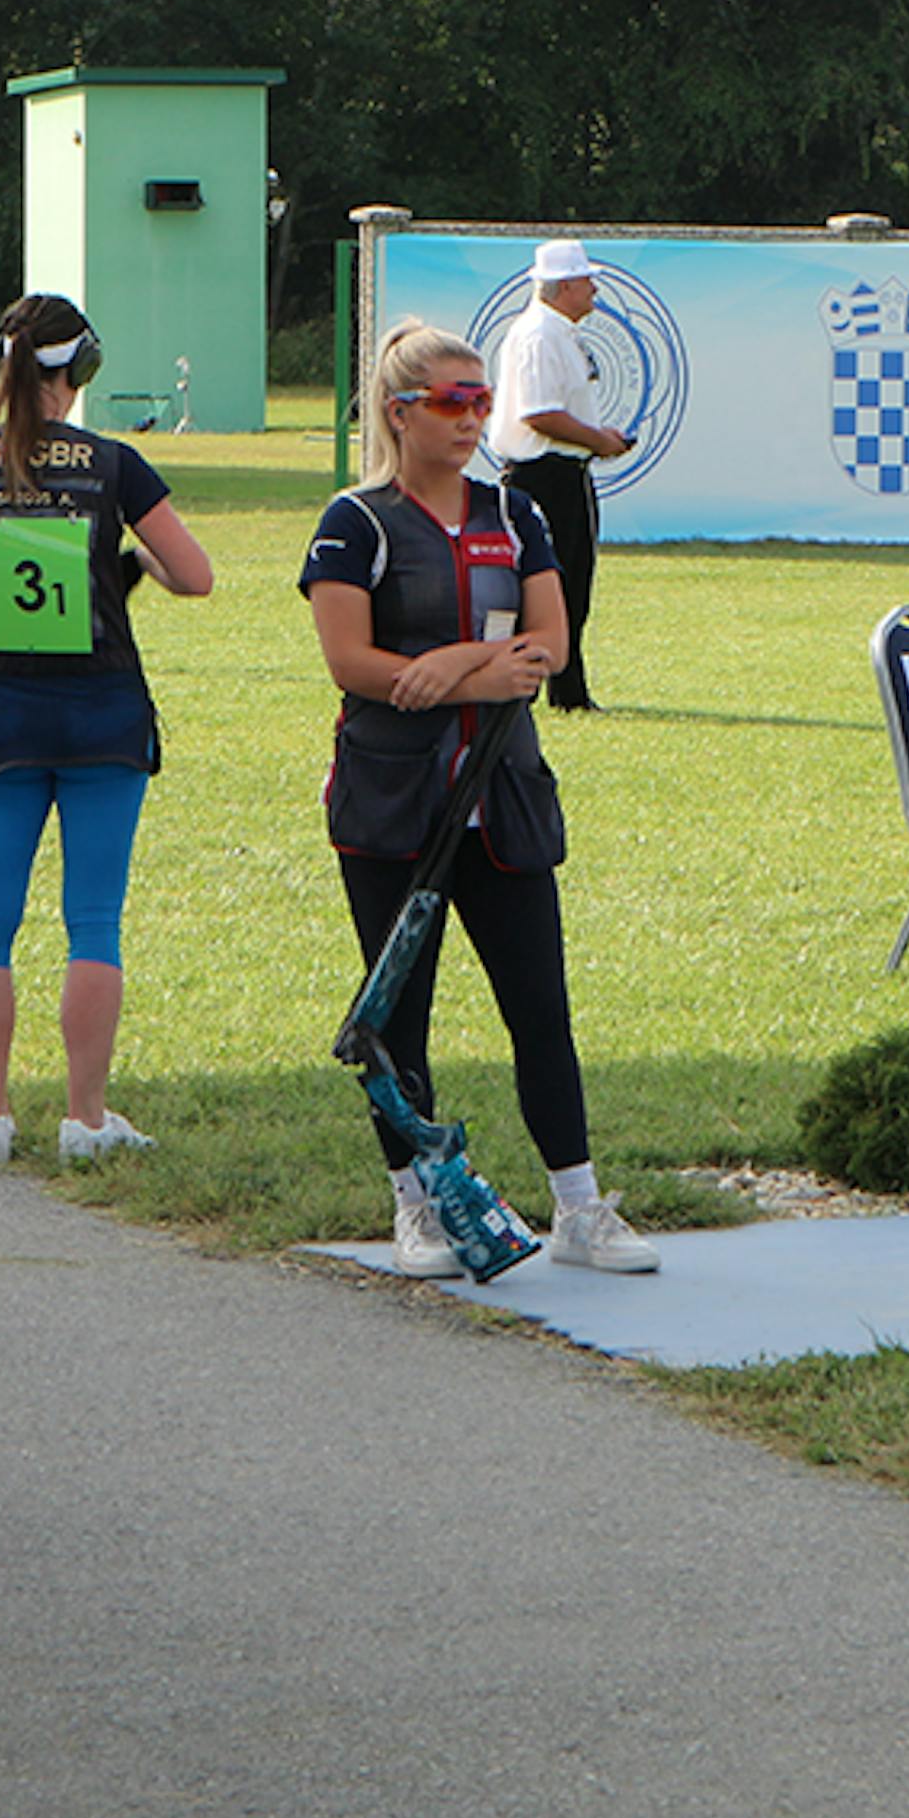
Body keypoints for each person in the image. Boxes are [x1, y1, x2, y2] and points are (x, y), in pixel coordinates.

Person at [301, 318, 656, 1273]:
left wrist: (454, 664)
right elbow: (355, 663)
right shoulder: (355, 522)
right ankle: (417, 1205)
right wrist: (472, 667)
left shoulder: (515, 514)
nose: (471, 420)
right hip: (392, 806)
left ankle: (579, 1208)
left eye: (481, 402)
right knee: (396, 1018)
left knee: (539, 1006)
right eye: (452, 403)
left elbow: (550, 647)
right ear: (399, 412)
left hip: (503, 798)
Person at [0, 293, 215, 1167]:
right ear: (76, 373)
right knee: (93, 922)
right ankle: (85, 1115)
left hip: (1, 713)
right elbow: (195, 577)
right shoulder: (115, 466)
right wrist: (134, 558)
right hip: (105, 715)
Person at [484, 237, 632, 714]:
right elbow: (540, 414)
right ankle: (553, 691)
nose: (594, 289)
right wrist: (597, 440)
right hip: (545, 473)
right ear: (565, 284)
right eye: (587, 280)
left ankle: (566, 689)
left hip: (560, 469)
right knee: (554, 583)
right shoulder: (540, 336)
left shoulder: (556, 333)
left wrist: (594, 438)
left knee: (568, 582)